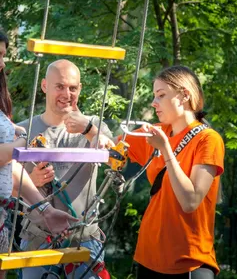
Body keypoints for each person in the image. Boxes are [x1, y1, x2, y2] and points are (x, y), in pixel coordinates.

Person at [95, 65, 225, 278]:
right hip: (149, 255)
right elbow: (113, 150)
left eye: (161, 95)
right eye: (154, 95)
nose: (154, 103)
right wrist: (93, 132)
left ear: (184, 95)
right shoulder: (158, 132)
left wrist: (165, 149)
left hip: (189, 259)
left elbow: (190, 201)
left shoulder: (208, 140)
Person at [18, 59, 112, 279]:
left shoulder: (95, 125)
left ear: (80, 89)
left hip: (84, 239)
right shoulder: (23, 129)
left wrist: (88, 130)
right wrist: (31, 180)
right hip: (38, 239)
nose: (66, 94)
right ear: (44, 86)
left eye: (73, 88)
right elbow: (7, 185)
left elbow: (116, 158)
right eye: (59, 86)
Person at [0, 31, 78, 279]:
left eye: (3, 56)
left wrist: (45, 210)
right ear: (45, 87)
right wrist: (23, 142)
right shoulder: (25, 129)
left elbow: (9, 169)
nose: (2, 64)